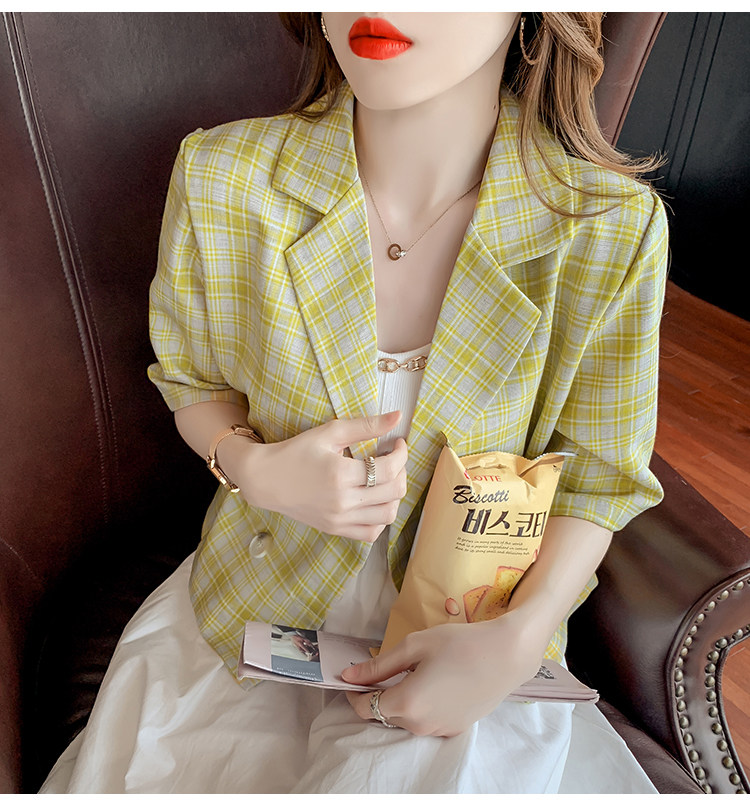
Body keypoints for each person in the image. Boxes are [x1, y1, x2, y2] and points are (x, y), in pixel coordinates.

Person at [40, 11, 667, 793]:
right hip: (251, 609)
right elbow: (193, 381)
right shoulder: (222, 176)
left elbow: (598, 481)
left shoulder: (608, 228)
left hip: (467, 637)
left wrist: (516, 640)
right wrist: (254, 469)